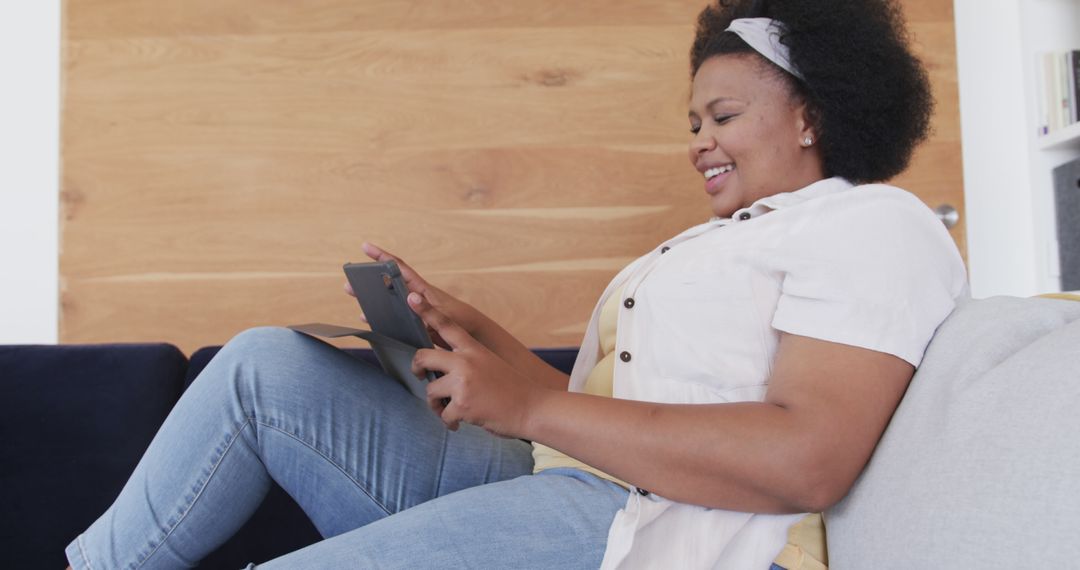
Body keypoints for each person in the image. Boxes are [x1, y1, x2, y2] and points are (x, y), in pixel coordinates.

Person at [65, 0, 968, 568]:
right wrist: (474, 334)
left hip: (667, 532)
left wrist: (529, 411)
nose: (698, 140)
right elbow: (596, 408)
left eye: (723, 115)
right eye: (692, 120)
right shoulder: (709, 244)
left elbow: (806, 458)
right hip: (572, 479)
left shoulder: (873, 224)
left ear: (812, 112)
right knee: (267, 367)